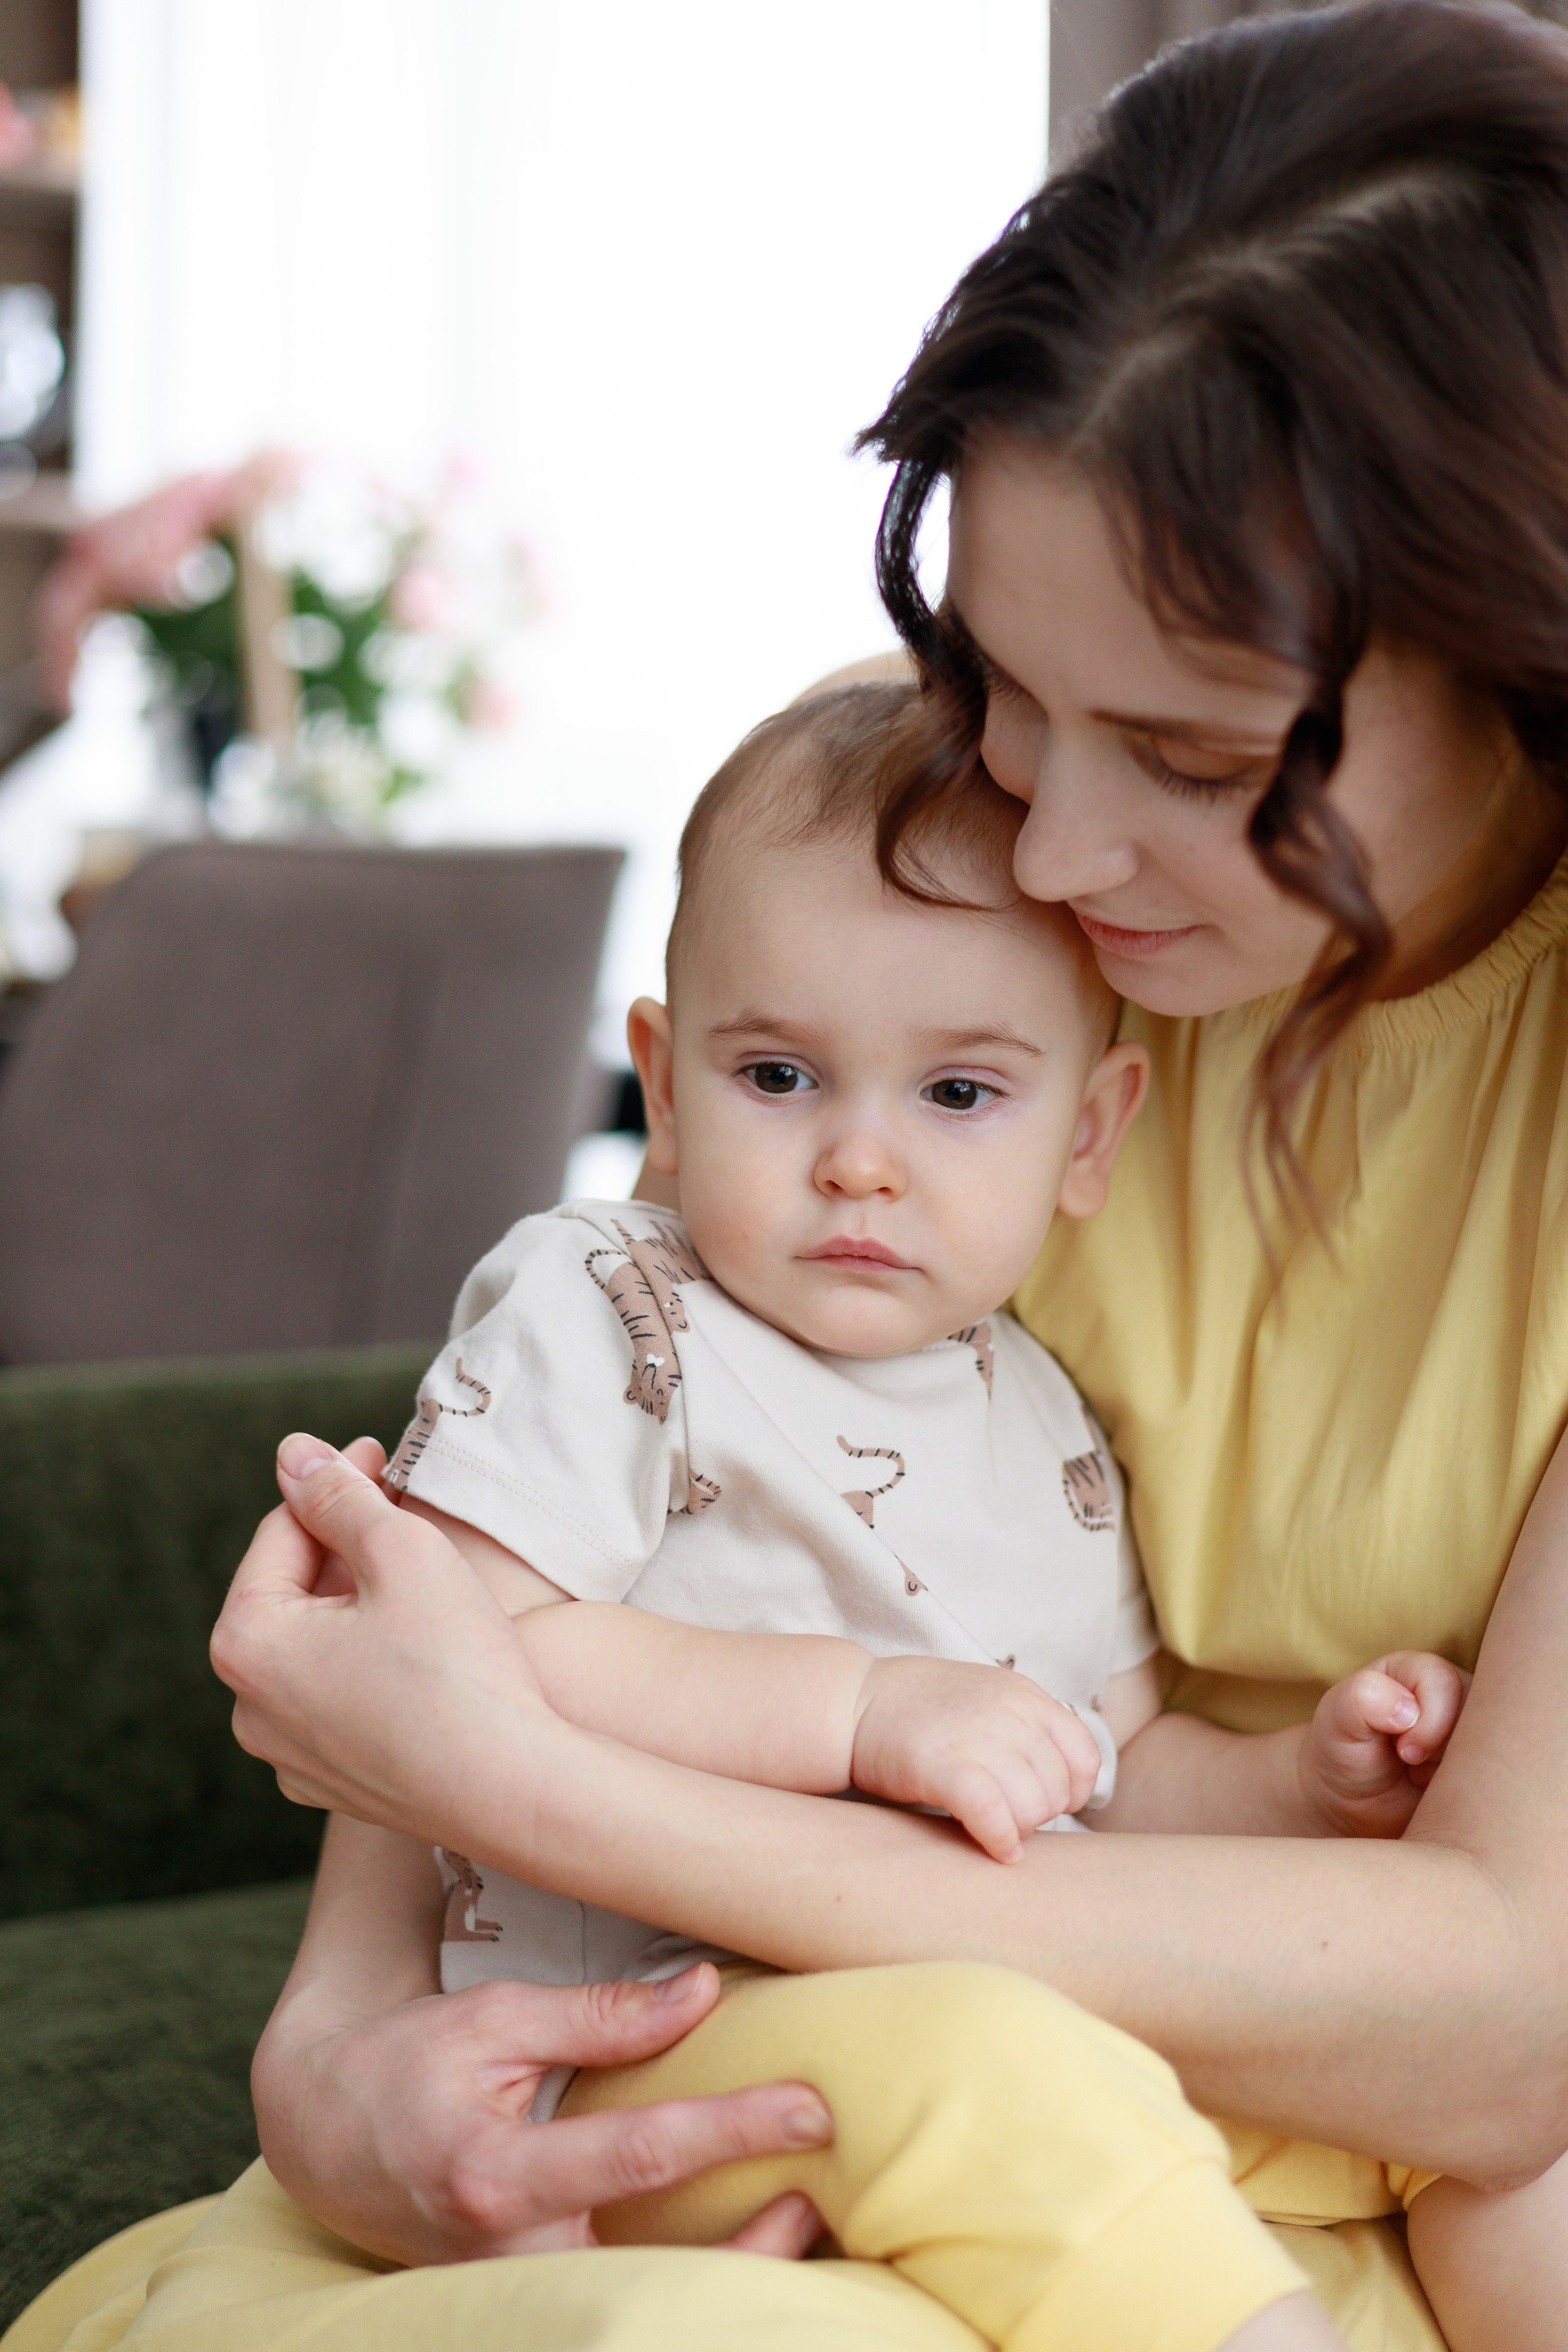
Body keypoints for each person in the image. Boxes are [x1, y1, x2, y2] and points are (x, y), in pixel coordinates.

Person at [17, 2, 1568, 2346]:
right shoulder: (950, 931)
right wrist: (334, 2065)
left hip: (1235, 2138)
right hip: (825, 2067)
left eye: (1187, 755)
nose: (1056, 851)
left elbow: (1502, 2019)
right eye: (1002, 688)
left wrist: (524, 1774)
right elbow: (534, 1531)